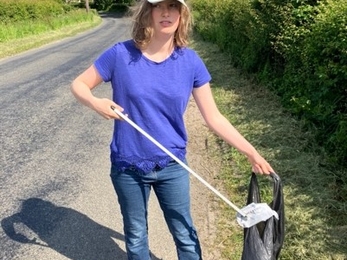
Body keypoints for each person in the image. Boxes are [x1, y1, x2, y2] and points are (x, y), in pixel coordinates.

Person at [71, 0, 275, 259]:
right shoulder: (120, 55)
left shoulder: (190, 61)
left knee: (186, 236)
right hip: (128, 166)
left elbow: (214, 117)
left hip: (173, 165)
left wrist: (251, 152)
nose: (166, 12)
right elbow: (79, 84)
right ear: (148, 12)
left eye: (173, 6)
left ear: (181, 14)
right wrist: (94, 102)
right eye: (159, 6)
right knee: (136, 237)